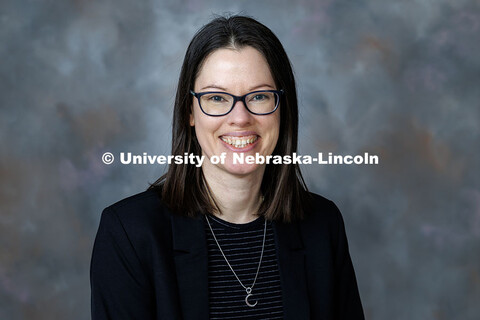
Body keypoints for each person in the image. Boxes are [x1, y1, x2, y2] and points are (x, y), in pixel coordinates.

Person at [90, 14, 364, 320]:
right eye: (217, 98)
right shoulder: (130, 233)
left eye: (259, 96)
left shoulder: (323, 226)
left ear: (282, 110)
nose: (240, 117)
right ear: (189, 112)